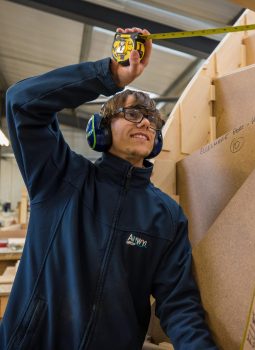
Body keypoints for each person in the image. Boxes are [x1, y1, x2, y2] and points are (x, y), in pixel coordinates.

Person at [1, 27, 218, 350]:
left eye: (151, 118)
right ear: (100, 131)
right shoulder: (61, 178)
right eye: (132, 113)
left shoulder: (166, 216)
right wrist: (110, 75)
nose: (145, 122)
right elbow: (21, 102)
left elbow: (179, 303)